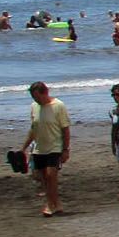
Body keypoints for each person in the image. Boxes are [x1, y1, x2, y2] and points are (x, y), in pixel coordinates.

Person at [23, 82, 70, 217]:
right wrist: (24, 147)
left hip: (55, 147)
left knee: (51, 175)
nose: (36, 100)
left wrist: (66, 149)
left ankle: (50, 205)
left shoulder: (58, 106)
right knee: (43, 178)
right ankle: (56, 204)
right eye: (33, 97)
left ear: (45, 92)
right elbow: (33, 129)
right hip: (39, 148)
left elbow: (65, 129)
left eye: (37, 97)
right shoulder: (34, 107)